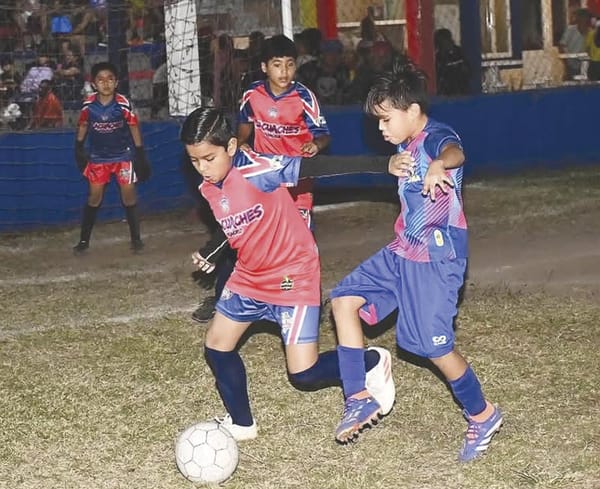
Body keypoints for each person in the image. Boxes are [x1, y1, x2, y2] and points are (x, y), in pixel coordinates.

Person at [179, 106, 394, 441]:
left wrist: (384, 164)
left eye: (209, 158)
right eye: (194, 161)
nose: (202, 169)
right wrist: (212, 250)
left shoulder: (259, 169)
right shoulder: (209, 187)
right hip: (249, 277)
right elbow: (237, 222)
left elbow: (318, 166)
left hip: (293, 274)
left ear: (231, 147)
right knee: (217, 347)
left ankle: (369, 362)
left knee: (304, 374)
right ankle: (242, 424)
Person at [329, 61, 503, 462]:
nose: (381, 129)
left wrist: (442, 164)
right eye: (377, 121)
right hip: (402, 250)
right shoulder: (404, 148)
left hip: (436, 258)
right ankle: (357, 397)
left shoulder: (434, 137)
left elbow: (453, 151)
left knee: (433, 347)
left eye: (386, 119)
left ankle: (483, 414)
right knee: (343, 301)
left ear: (411, 111)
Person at [190, 34, 331, 323]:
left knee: (303, 239)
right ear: (265, 67)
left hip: (295, 181)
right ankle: (221, 298)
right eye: (277, 65)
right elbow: (243, 128)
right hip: (260, 180)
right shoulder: (252, 94)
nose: (284, 72)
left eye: (290, 65)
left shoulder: (304, 97)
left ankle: (310, 295)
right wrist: (241, 142)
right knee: (242, 236)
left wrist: (316, 146)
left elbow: (323, 134)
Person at [73, 61, 151, 253]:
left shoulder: (123, 104)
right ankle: (83, 241)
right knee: (94, 197)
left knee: (129, 195)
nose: (105, 83)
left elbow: (133, 127)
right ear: (93, 84)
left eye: (110, 79)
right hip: (98, 158)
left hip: (122, 156)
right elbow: (83, 125)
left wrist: (140, 153)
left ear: (116, 83)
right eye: (100, 80)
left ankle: (136, 240)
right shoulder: (88, 105)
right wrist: (78, 146)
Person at [434, 28, 470, 96]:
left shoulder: (459, 53)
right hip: (446, 91)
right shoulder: (438, 57)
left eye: (443, 41)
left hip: (461, 89)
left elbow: (467, 70)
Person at [559, 8, 592, 80]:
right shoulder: (570, 30)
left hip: (586, 65)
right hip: (570, 65)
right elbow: (562, 46)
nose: (583, 19)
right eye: (581, 17)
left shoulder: (591, 32)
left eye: (585, 17)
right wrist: (567, 63)